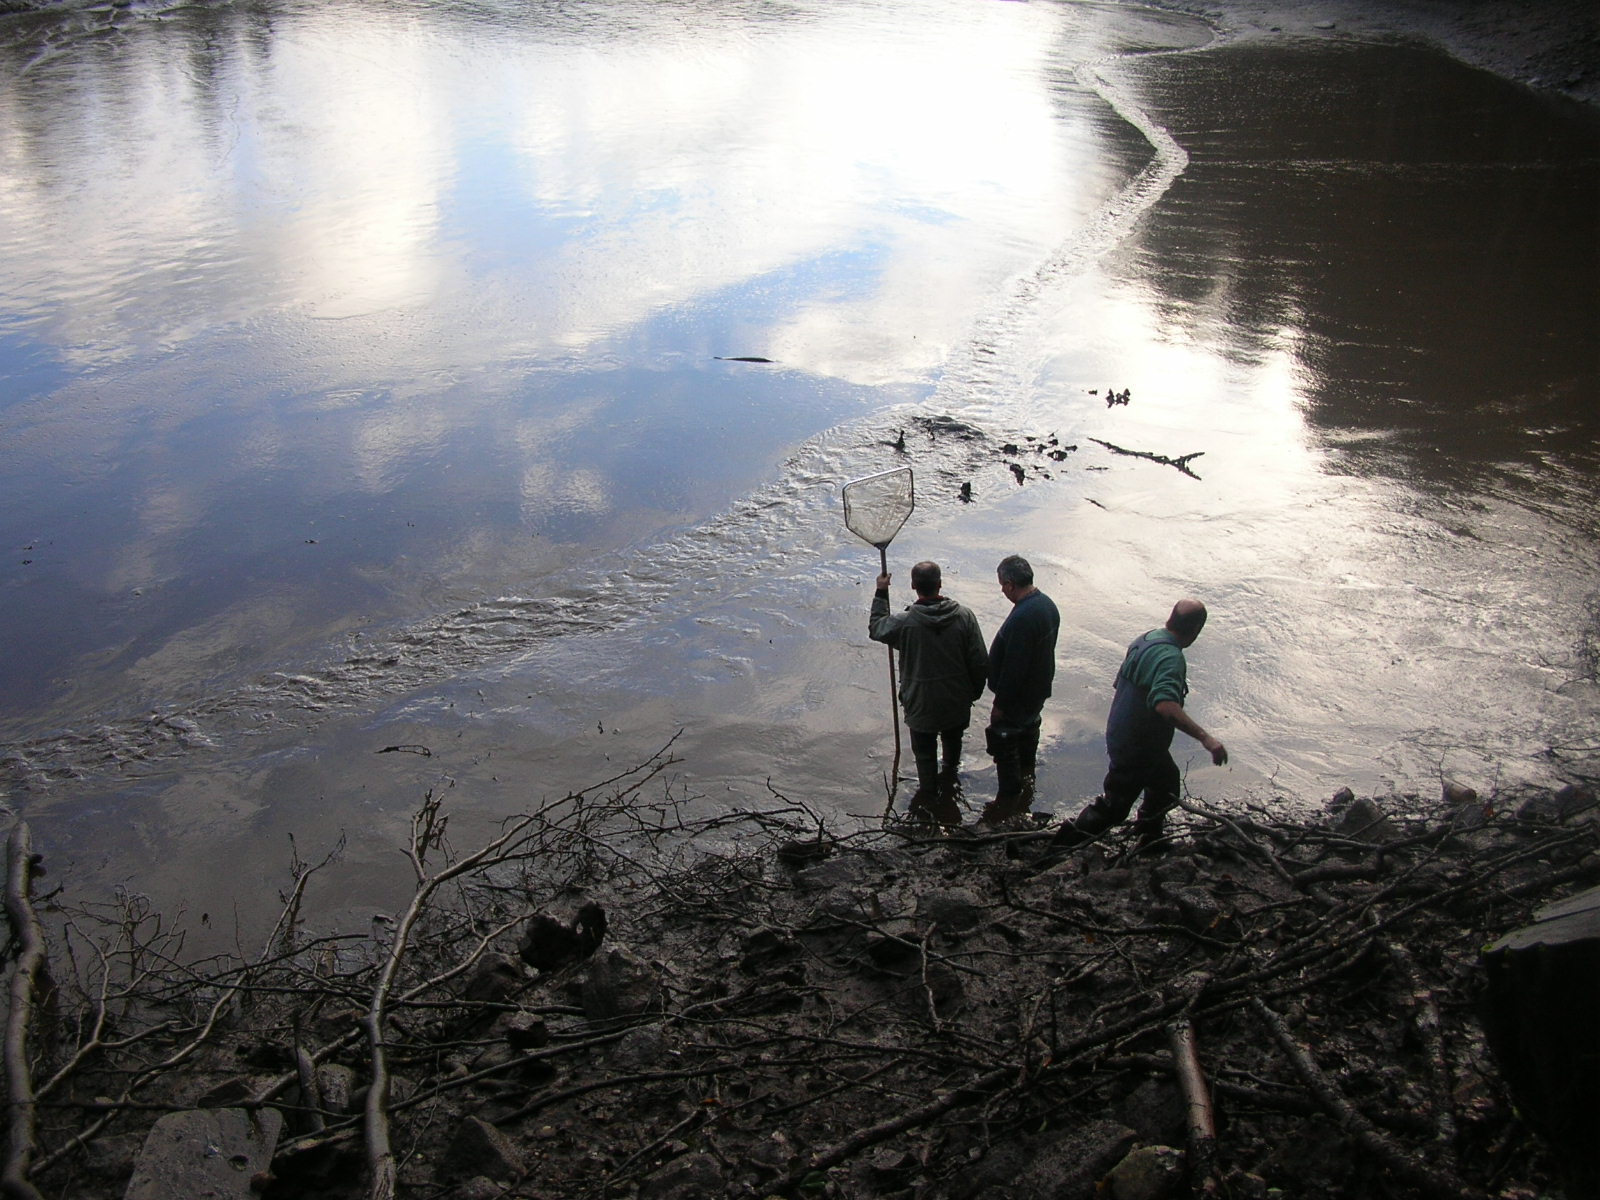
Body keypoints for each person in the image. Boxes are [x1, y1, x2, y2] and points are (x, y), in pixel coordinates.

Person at [1052, 598, 1228, 852]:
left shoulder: (1146, 639)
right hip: (1138, 744)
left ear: (1171, 619)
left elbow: (1119, 683)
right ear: (1196, 630)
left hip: (1127, 734)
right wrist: (1206, 738)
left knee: (1166, 784)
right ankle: (1062, 846)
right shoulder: (1171, 658)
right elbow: (1165, 706)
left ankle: (1150, 841)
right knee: (1114, 806)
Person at [870, 561, 989, 825]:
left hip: (920, 704)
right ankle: (950, 788)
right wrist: (972, 694)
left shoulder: (904, 622)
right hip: (956, 702)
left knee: (925, 757)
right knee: (952, 747)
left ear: (914, 586)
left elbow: (876, 628)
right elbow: (980, 661)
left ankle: (928, 804)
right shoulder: (965, 616)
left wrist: (881, 592)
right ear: (940, 584)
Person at [980, 555, 1060, 824]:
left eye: (1002, 585)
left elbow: (1014, 669)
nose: (1002, 590)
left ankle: (1008, 802)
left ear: (1011, 584)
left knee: (1005, 742)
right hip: (1036, 692)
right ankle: (1027, 787)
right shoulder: (1047, 605)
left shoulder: (1023, 618)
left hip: (1018, 697)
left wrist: (999, 706)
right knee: (1028, 734)